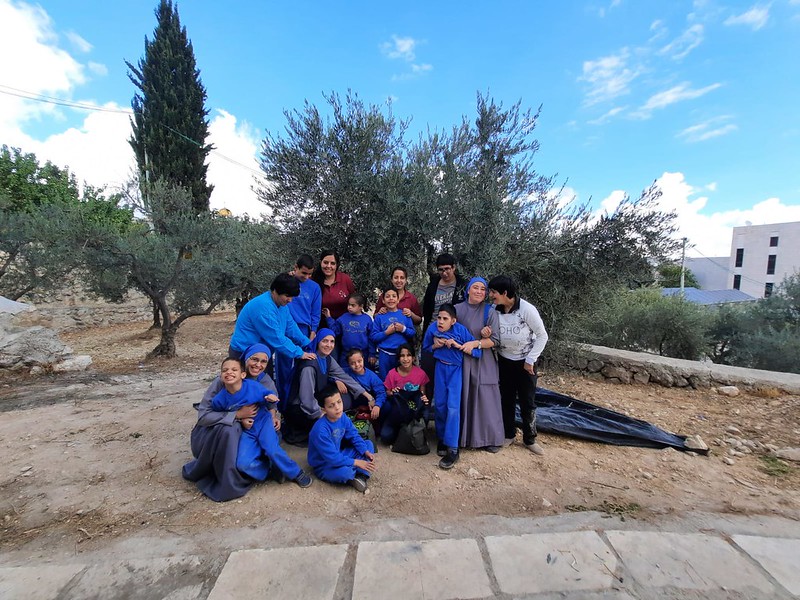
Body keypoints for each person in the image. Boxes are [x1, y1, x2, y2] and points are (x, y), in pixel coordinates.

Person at [182, 343, 287, 501]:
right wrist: (237, 415)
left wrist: (274, 416)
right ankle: (226, 473)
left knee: (266, 444)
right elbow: (204, 415)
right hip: (221, 430)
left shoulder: (266, 382)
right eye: (254, 359)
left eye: (263, 362)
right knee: (231, 432)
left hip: (252, 430)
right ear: (245, 359)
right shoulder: (224, 380)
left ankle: (268, 468)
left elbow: (272, 405)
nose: (258, 365)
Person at [209, 356, 313, 487]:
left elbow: (267, 394)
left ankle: (296, 472)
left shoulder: (253, 386)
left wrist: (271, 398)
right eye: (225, 370)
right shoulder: (220, 399)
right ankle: (269, 470)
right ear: (221, 375)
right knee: (242, 464)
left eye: (234, 369)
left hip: (263, 423)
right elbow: (217, 413)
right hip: (246, 430)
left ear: (242, 374)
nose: (229, 372)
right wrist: (240, 418)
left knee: (272, 449)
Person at [228, 273, 316, 412]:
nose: (290, 300)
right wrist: (299, 353)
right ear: (275, 291)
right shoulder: (263, 308)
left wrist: (307, 343)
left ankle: (267, 417)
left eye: (292, 297)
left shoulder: (281, 305)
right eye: (287, 296)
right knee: (243, 389)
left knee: (264, 388)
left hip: (263, 354)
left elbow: (290, 327)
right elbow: (277, 339)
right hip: (244, 353)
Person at [488, 275, 549, 455]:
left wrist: (531, 359)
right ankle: (508, 434)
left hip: (525, 364)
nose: (491, 295)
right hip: (504, 361)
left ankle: (530, 439)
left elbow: (542, 335)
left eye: (493, 292)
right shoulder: (495, 309)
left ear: (505, 293)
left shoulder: (526, 310)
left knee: (527, 401)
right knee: (505, 399)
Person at [283, 328, 369, 445]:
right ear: (318, 341)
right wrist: (323, 414)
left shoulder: (327, 358)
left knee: (345, 399)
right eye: (325, 341)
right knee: (333, 431)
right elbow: (306, 400)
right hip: (300, 409)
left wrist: (367, 395)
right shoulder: (309, 365)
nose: (329, 345)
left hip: (316, 401)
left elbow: (344, 377)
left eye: (332, 341)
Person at [422, 304, 482, 470]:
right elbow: (426, 348)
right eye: (439, 318)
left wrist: (457, 345)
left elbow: (478, 352)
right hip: (440, 368)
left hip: (456, 371)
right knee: (440, 405)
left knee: (453, 407)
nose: (440, 322)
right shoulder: (432, 328)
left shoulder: (461, 331)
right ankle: (442, 438)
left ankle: (453, 448)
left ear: (453, 321)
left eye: (445, 319)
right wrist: (436, 345)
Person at [455, 277, 505, 451]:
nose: (479, 291)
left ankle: (489, 439)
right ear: (468, 290)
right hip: (461, 361)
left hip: (484, 361)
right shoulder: (456, 310)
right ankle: (462, 438)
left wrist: (478, 342)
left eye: (483, 289)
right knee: (463, 397)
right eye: (475, 287)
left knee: (486, 399)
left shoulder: (490, 312)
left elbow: (495, 340)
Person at [307, 383, 377, 493]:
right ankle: (356, 474)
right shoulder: (320, 430)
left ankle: (361, 477)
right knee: (345, 473)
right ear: (323, 409)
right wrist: (357, 462)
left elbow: (354, 436)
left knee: (368, 444)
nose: (337, 408)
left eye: (339, 402)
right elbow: (332, 458)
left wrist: (365, 451)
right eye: (331, 406)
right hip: (325, 464)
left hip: (340, 454)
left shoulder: (343, 417)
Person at [421, 254, 469, 398]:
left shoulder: (462, 285)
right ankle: (427, 410)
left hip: (453, 335)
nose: (445, 273)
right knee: (428, 373)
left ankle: (450, 411)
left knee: (450, 379)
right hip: (433, 330)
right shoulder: (433, 284)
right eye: (441, 270)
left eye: (448, 269)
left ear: (454, 267)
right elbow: (427, 309)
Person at [277, 255, 322, 402]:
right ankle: (282, 403)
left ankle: (300, 403)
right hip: (285, 329)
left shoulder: (314, 287)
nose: (306, 277)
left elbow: (316, 313)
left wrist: (313, 332)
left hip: (304, 331)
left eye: (310, 274)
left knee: (303, 368)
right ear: (295, 268)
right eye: (303, 273)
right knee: (284, 368)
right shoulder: (286, 281)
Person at [382, 343, 430, 444]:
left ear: (413, 358)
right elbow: (387, 392)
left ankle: (414, 432)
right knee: (386, 437)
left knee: (426, 412)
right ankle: (398, 430)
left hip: (413, 411)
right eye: (402, 356)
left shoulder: (421, 374)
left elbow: (422, 393)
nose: (405, 359)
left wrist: (424, 399)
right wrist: (392, 392)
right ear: (398, 359)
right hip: (397, 410)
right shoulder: (392, 373)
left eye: (408, 355)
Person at [371, 287, 416, 381]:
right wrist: (386, 333)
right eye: (387, 296)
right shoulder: (379, 317)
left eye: (394, 296)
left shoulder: (404, 315)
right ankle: (386, 395)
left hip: (401, 355)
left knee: (401, 380)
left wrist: (403, 329)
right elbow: (374, 337)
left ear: (398, 299)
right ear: (383, 300)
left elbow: (412, 333)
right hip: (384, 354)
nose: (391, 298)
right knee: (385, 379)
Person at [327, 293, 375, 367]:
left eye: (353, 305)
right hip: (346, 354)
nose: (349, 307)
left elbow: (371, 337)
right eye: (348, 305)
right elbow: (335, 331)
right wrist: (329, 318)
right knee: (345, 375)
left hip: (363, 354)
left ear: (361, 306)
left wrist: (372, 353)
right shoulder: (343, 317)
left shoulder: (367, 319)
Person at [344, 348, 387, 419]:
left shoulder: (372, 376)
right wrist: (338, 381)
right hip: (353, 404)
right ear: (348, 364)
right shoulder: (346, 372)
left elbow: (381, 392)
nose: (357, 365)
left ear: (363, 359)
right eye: (353, 363)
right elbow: (333, 374)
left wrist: (377, 405)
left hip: (369, 404)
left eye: (359, 361)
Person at [313, 250, 356, 320]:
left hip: (345, 325)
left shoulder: (345, 279)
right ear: (320, 262)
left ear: (337, 265)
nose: (328, 266)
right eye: (325, 262)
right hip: (322, 326)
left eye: (332, 263)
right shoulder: (313, 281)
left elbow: (355, 301)